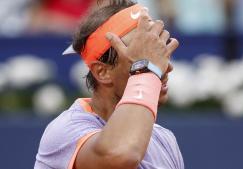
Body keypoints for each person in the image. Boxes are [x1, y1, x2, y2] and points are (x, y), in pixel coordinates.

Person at [34, 0, 184, 169]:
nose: (164, 66)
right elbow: (120, 153)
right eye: (143, 53)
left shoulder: (165, 139)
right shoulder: (65, 131)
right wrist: (147, 70)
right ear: (102, 72)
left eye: (157, 49)